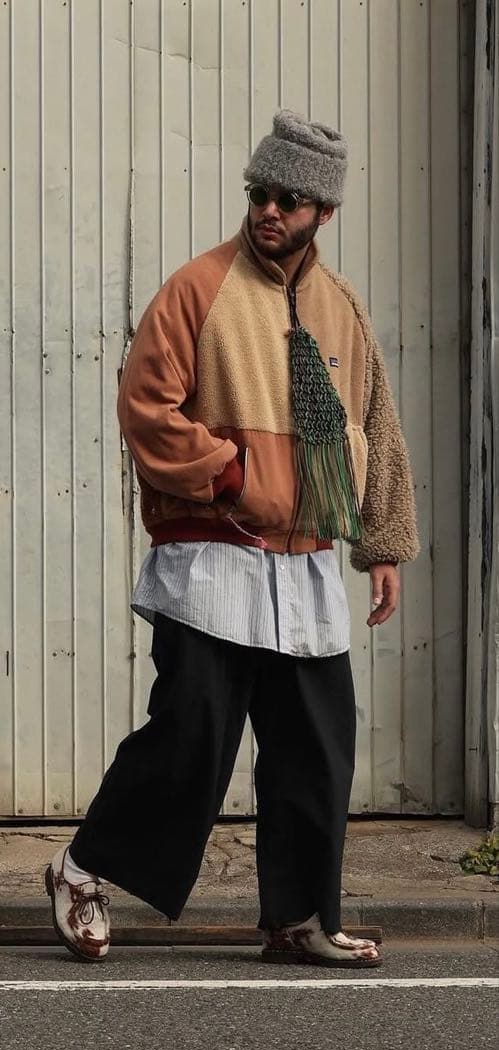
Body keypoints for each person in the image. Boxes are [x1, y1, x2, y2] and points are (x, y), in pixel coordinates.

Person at [45, 110, 419, 968]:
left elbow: (377, 425)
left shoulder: (340, 307)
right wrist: (229, 475)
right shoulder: (197, 288)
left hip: (304, 565)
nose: (268, 210)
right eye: (259, 193)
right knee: (192, 737)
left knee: (315, 748)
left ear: (323, 212)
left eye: (288, 199)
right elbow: (146, 406)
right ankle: (81, 868)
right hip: (211, 556)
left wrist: (382, 543)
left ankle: (298, 919)